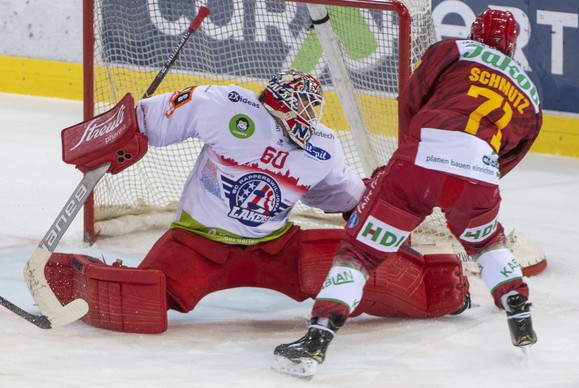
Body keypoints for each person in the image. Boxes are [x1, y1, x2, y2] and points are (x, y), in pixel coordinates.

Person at [273, 8, 542, 379]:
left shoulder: (453, 50)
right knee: (487, 242)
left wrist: (410, 156)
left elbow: (411, 99)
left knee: (361, 251)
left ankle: (317, 340)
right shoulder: (530, 95)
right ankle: (518, 309)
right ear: (513, 44)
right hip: (479, 177)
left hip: (418, 163)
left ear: (475, 30)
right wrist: (476, 180)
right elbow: (511, 154)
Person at [132, 70, 469, 321]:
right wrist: (126, 133)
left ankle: (435, 288)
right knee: (140, 300)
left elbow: (345, 196)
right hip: (198, 241)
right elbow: (150, 118)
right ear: (280, 101)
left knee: (351, 263)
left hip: (275, 246)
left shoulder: (321, 145)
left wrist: (377, 218)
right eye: (304, 105)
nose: (310, 116)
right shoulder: (225, 106)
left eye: (314, 108)